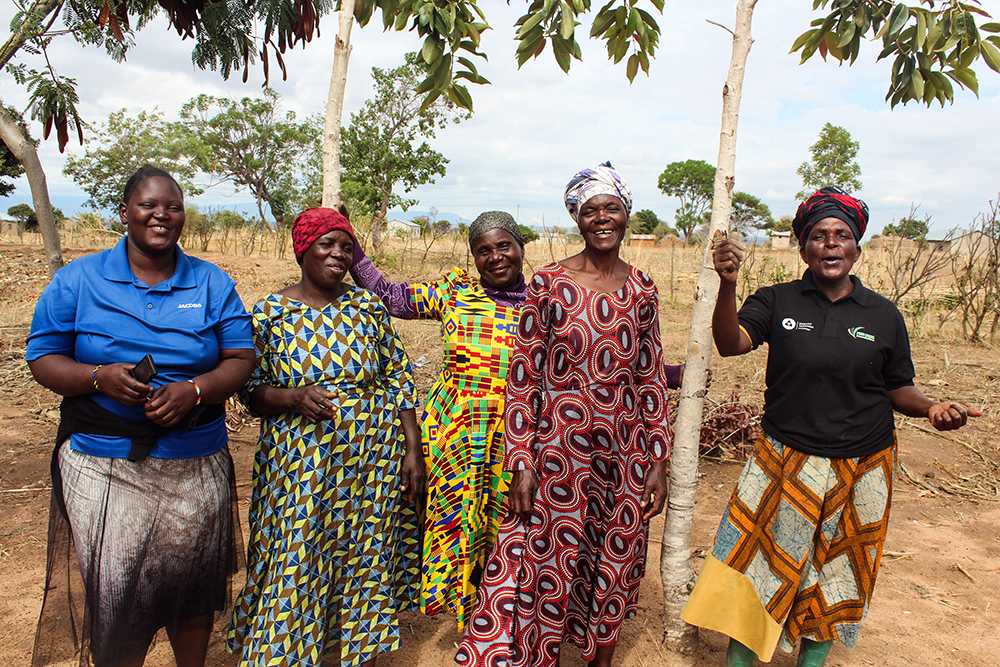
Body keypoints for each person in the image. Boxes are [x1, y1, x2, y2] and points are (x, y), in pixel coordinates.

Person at [681, 186, 981, 667]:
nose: (831, 244)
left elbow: (898, 386)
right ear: (803, 247)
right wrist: (729, 283)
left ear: (857, 246)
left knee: (835, 571)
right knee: (755, 566)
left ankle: (812, 661)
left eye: (842, 235)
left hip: (863, 466)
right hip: (783, 459)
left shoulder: (883, 314)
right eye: (819, 235)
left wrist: (930, 409)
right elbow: (731, 342)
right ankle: (741, 659)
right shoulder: (778, 300)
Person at [26, 165, 257, 667]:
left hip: (194, 462)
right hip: (102, 464)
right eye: (149, 205)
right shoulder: (79, 280)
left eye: (172, 207)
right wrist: (98, 377)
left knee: (192, 587)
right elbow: (43, 357)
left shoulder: (211, 281)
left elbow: (241, 358)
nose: (161, 215)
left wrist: (194, 390)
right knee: (118, 593)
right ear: (126, 211)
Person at [456, 162, 673, 667]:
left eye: (611, 208)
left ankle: (600, 658)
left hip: (624, 454)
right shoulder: (550, 282)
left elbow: (649, 376)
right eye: (590, 209)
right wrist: (522, 463)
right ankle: (539, 657)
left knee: (614, 557)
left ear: (627, 214)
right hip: (558, 451)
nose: (602, 218)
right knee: (546, 560)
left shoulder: (642, 288)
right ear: (576, 217)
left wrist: (657, 460)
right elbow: (524, 377)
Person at [227, 207, 423, 667]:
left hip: (372, 462)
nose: (338, 255)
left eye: (346, 247)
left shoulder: (368, 308)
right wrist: (292, 397)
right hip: (300, 465)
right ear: (303, 250)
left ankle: (356, 652)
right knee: (297, 554)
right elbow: (250, 391)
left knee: (365, 553)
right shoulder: (270, 313)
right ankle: (284, 652)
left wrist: (412, 450)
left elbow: (399, 377)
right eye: (327, 245)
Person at [349, 210, 528, 630]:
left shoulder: (548, 300)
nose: (496, 257)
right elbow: (388, 295)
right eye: (484, 251)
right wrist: (352, 245)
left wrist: (665, 374)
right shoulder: (454, 292)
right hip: (454, 430)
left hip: (514, 431)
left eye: (504, 246)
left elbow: (588, 351)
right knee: (457, 523)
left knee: (506, 524)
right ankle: (468, 622)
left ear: (521, 247)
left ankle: (499, 617)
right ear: (473, 258)